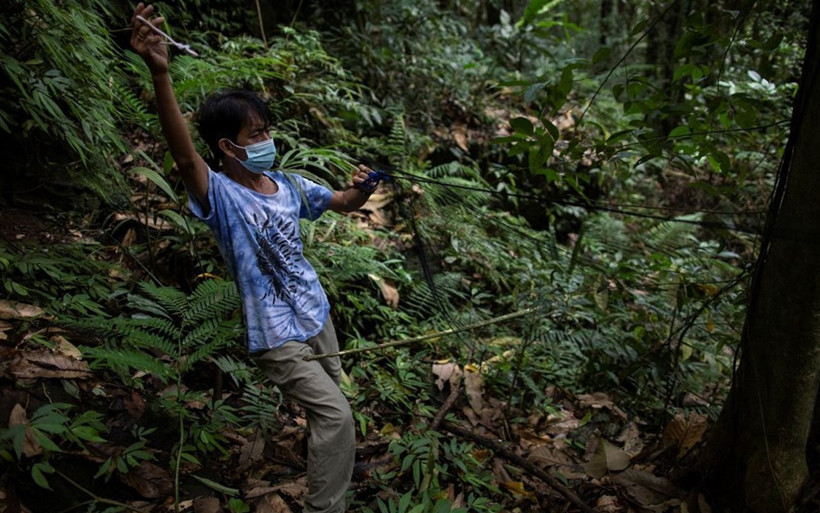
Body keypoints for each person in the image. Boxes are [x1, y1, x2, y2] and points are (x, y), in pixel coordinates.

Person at [130, 4, 378, 512]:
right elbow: (182, 157)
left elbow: (342, 202)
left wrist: (363, 189)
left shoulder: (287, 185)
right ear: (228, 147)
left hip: (316, 314)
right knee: (336, 415)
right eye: (256, 135)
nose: (268, 140)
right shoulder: (220, 195)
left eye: (268, 129)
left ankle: (330, 467)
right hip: (275, 333)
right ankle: (324, 507)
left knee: (328, 411)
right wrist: (161, 73)